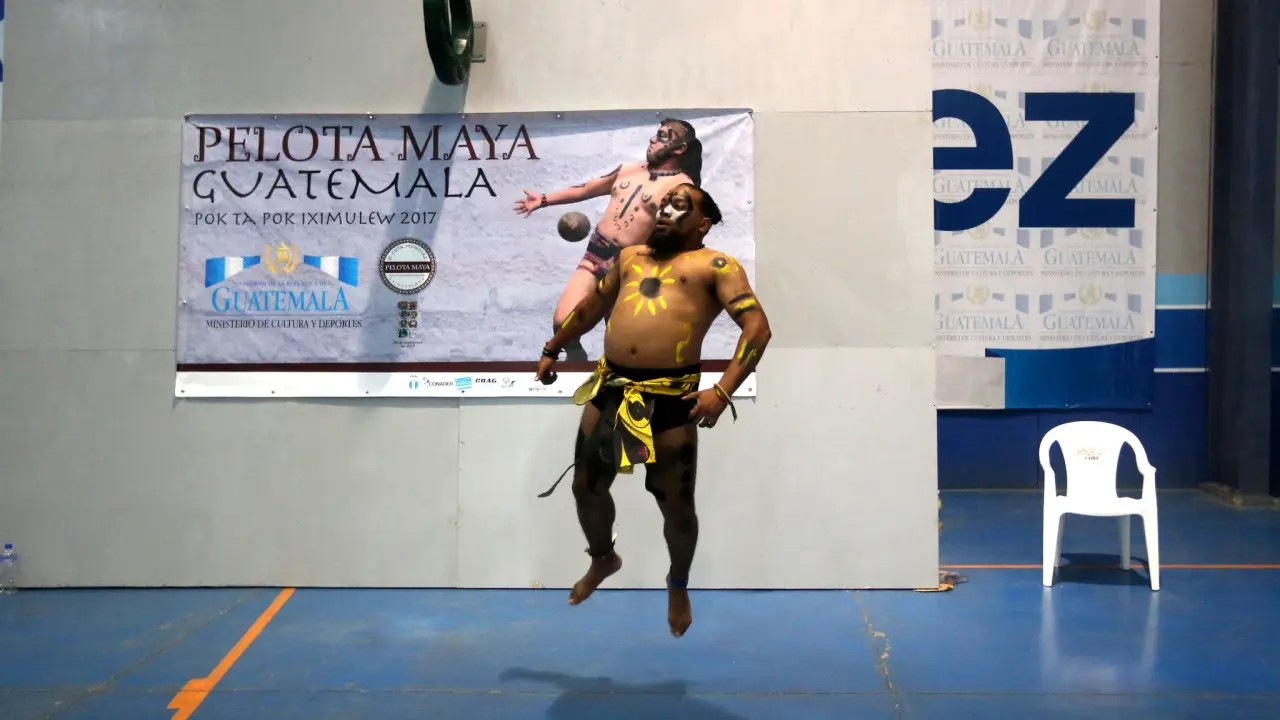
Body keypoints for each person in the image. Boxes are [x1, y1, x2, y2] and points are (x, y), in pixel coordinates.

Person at [533, 183, 771, 637]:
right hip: (612, 389)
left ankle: (677, 583)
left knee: (676, 507)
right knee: (586, 488)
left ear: (702, 224)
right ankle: (604, 558)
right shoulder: (629, 258)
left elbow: (757, 328)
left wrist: (723, 392)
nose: (664, 211)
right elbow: (592, 306)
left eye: (679, 206)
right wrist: (553, 346)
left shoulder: (717, 266)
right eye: (664, 204)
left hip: (671, 401)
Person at [515, 119, 704, 362]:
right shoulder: (628, 169)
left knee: (621, 338)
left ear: (680, 148)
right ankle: (576, 356)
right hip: (596, 253)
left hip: (630, 266)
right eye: (655, 134)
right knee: (563, 323)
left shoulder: (682, 188)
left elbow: (680, 236)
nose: (653, 139)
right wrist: (543, 199)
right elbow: (587, 188)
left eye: (662, 136)